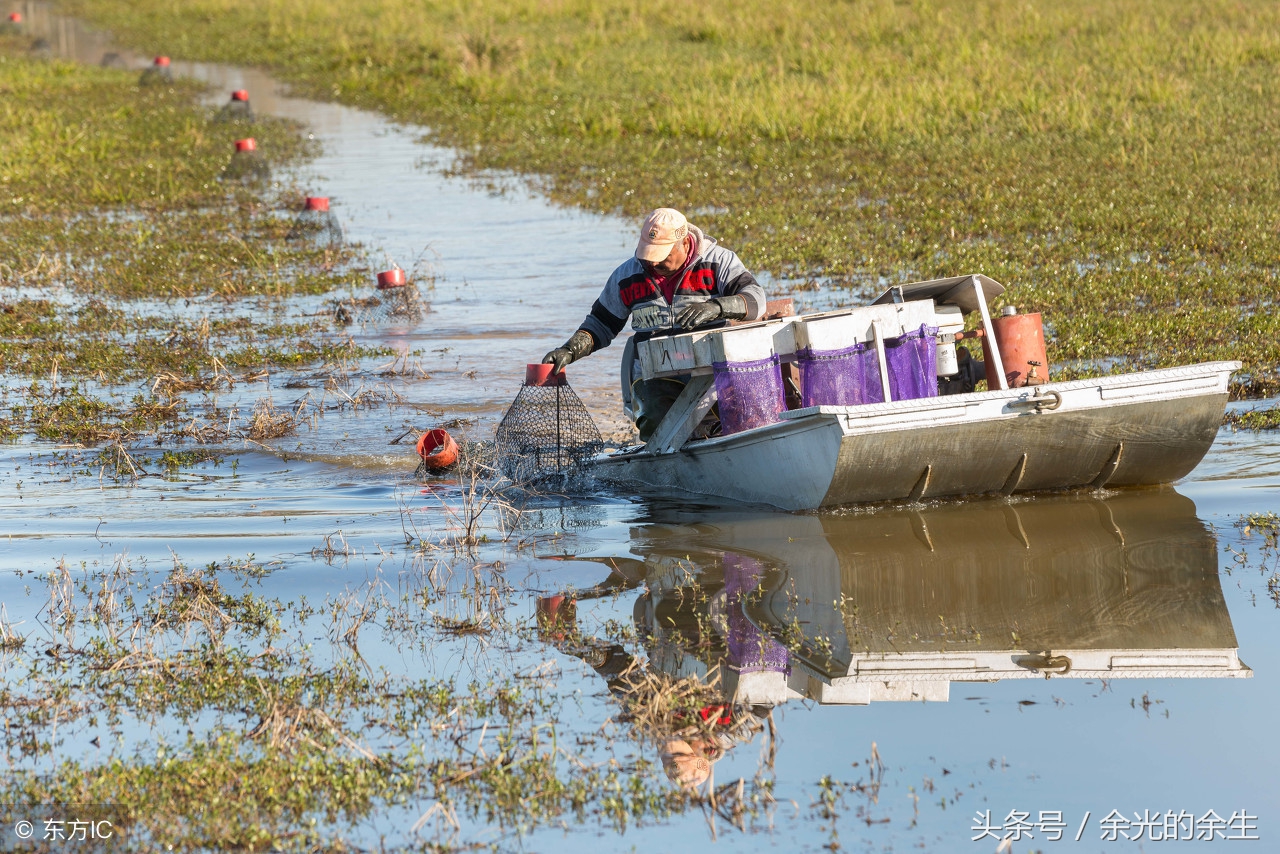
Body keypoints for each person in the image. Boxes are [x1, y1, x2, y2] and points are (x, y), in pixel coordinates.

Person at [542, 208, 766, 441]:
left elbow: (756, 300)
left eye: (662, 255)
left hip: (714, 368)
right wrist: (569, 350)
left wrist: (717, 307)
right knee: (657, 420)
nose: (653, 261)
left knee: (744, 415)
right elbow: (601, 323)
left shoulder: (719, 261)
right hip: (654, 375)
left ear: (684, 243)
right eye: (649, 254)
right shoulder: (626, 275)